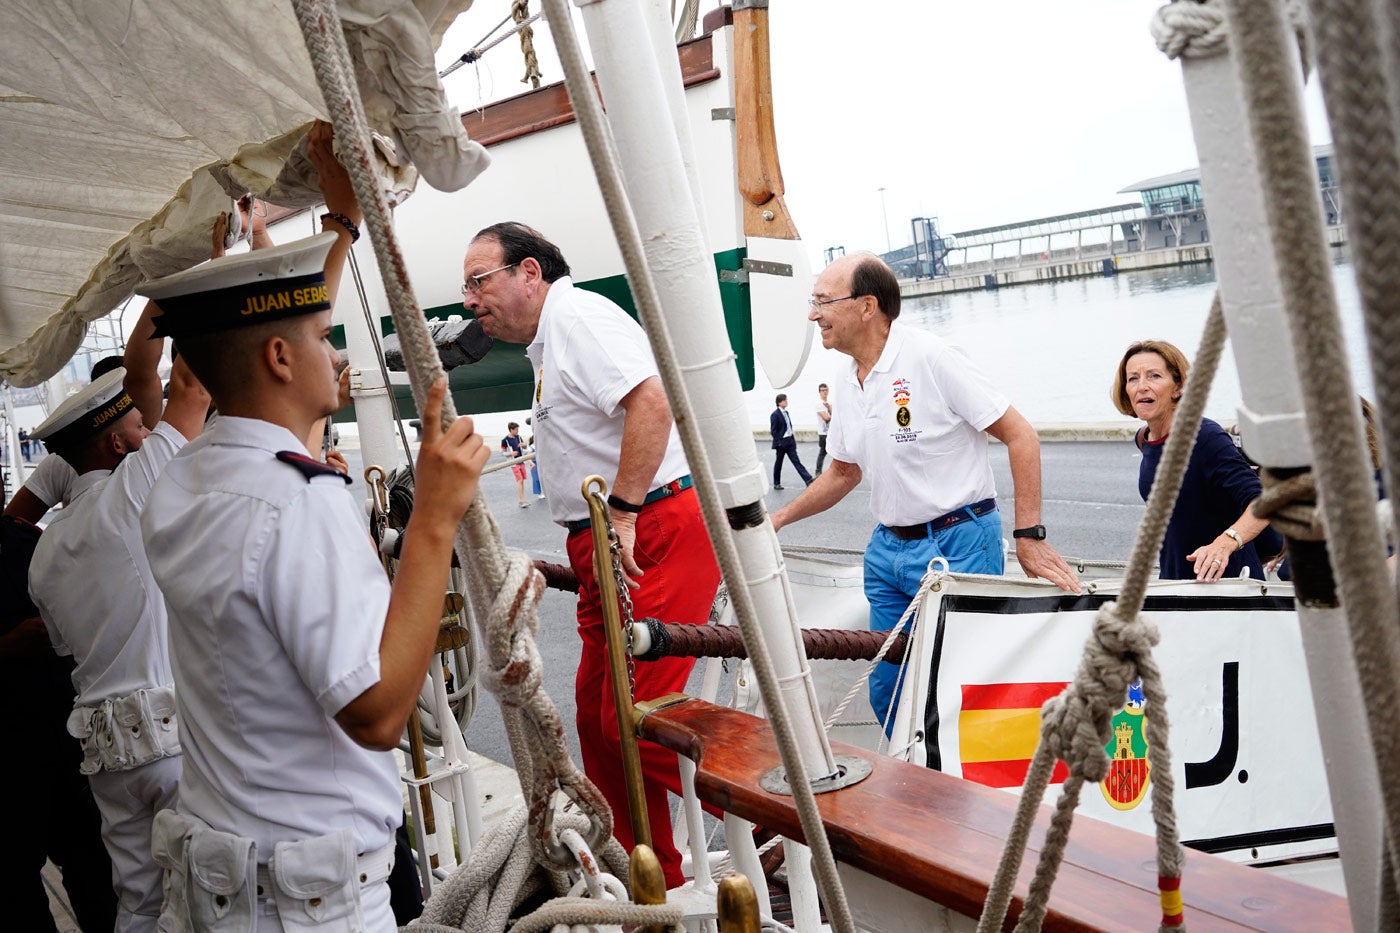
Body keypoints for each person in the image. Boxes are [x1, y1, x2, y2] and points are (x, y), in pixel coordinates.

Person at [138, 123, 488, 931]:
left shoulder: (180, 479)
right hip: (317, 905)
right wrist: (433, 519)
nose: (337, 357)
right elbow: (377, 715)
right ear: (279, 359)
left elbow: (267, 346)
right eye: (324, 340)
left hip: (231, 885)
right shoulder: (298, 500)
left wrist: (341, 226)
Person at [461, 221, 720, 888]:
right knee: (596, 721)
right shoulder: (550, 342)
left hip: (648, 529)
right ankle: (650, 879)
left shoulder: (578, 318)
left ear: (529, 272)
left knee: (636, 719)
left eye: (478, 281)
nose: (468, 300)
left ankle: (784, 799)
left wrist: (625, 511)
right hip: (604, 543)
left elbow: (652, 402)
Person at [771, 253, 1080, 732]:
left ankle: (959, 781)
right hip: (887, 553)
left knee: (958, 689)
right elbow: (843, 473)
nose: (813, 315)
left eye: (823, 302)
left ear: (867, 306)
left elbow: (1021, 435)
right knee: (888, 690)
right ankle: (915, 777)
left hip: (959, 544)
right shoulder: (847, 380)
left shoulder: (932, 357)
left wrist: (1029, 536)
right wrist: (776, 520)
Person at [27, 359, 211, 932]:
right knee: (209, 896)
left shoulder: (43, 553)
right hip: (171, 743)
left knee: (138, 903)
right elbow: (192, 387)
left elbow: (65, 649)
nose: (149, 433)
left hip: (107, 756)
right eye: (139, 427)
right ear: (116, 444)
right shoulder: (135, 488)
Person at [1111, 339, 1271, 580]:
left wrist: (1225, 543)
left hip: (1226, 585)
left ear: (1178, 387)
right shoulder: (1145, 439)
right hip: (1174, 583)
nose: (1141, 386)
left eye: (1154, 376)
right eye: (1133, 378)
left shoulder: (1204, 436)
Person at [769, 394, 812, 490]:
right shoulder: (775, 415)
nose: (786, 402)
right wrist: (779, 442)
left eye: (786, 400)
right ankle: (776, 483)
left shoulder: (786, 413)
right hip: (782, 443)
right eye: (784, 400)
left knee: (796, 461)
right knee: (779, 463)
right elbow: (773, 431)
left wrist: (792, 439)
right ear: (779, 402)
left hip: (790, 441)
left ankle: (808, 479)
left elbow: (789, 426)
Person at [501, 421, 529, 507]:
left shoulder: (519, 437)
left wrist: (524, 445)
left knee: (522, 480)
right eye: (516, 429)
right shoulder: (505, 440)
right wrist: (511, 453)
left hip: (521, 461)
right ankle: (521, 501)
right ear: (511, 430)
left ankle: (522, 500)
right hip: (514, 463)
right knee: (519, 480)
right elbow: (502, 453)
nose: (518, 431)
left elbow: (525, 447)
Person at [815, 382, 832, 476]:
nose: (825, 392)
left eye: (826, 390)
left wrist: (829, 407)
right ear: (819, 392)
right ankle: (818, 471)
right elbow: (826, 418)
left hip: (831, 432)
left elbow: (834, 414)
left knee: (835, 451)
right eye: (823, 390)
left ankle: (821, 471)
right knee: (823, 452)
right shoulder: (818, 404)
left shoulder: (829, 403)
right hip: (823, 433)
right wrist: (833, 415)